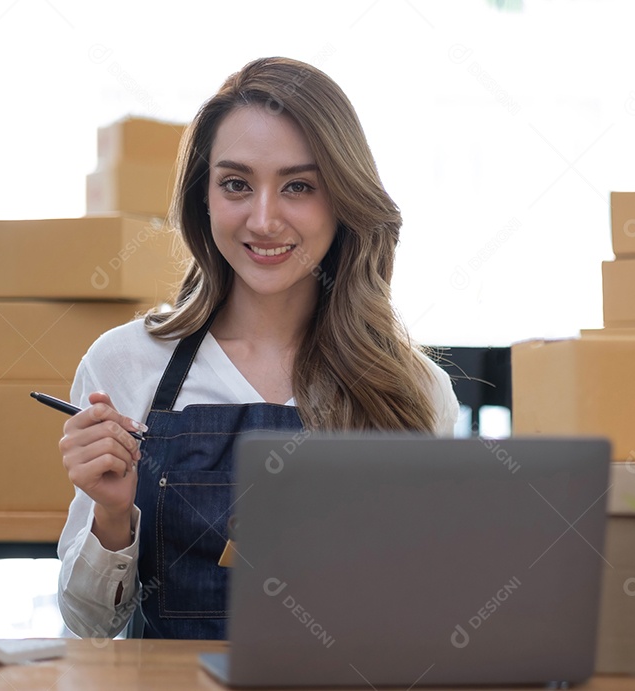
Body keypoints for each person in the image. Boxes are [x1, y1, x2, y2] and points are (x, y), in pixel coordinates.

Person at [56, 57, 460, 640]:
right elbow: (89, 625)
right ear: (205, 198)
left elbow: (427, 616)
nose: (264, 218)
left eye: (299, 186)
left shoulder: (414, 388)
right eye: (236, 184)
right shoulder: (125, 362)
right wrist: (112, 515)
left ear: (344, 200)